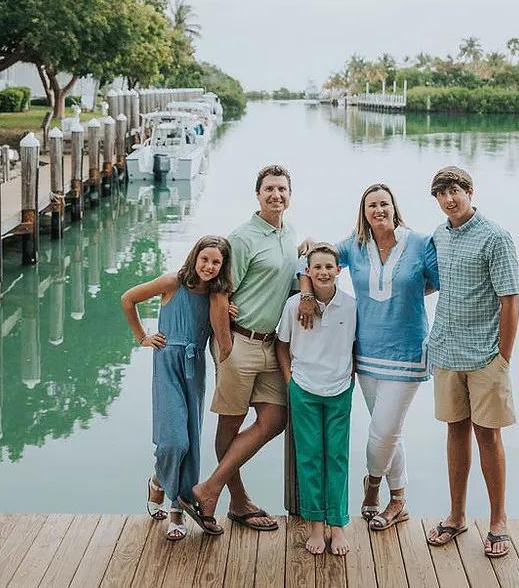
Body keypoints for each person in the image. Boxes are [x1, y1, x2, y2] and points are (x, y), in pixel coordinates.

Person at [298, 183, 438, 531]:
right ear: (364, 212)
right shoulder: (355, 246)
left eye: (384, 204)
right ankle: (400, 500)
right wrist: (305, 296)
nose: (378, 210)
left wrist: (406, 292)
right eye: (371, 205)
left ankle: (373, 487)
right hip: (366, 353)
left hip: (408, 351)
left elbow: (437, 281)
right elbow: (311, 260)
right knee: (390, 433)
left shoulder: (420, 243)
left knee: (383, 431)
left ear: (394, 208)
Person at [179, 164, 302, 535]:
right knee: (230, 423)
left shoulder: (288, 232)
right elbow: (220, 293)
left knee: (275, 420)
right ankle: (236, 499)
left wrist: (308, 252)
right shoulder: (243, 238)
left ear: (290, 194)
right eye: (269, 189)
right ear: (258, 193)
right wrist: (227, 346)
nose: (276, 195)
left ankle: (209, 489)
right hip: (240, 344)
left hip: (271, 346)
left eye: (282, 189)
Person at [423, 166, 519, 559]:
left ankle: (498, 521)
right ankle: (457, 516)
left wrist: (503, 359)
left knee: (488, 436)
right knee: (455, 432)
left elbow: (510, 300)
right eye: (442, 194)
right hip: (445, 351)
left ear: (469, 191)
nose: (449, 199)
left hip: (485, 357)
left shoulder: (495, 237)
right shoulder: (439, 235)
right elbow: (433, 281)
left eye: (455, 191)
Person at [121, 235, 234, 540]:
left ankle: (175, 508)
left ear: (223, 266)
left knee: (191, 441)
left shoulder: (216, 295)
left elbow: (220, 335)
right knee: (173, 442)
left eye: (216, 262)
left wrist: (225, 311)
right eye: (205, 259)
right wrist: (143, 337)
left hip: (195, 368)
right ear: (194, 257)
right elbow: (128, 298)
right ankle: (159, 481)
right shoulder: (172, 282)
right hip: (168, 363)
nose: (209, 266)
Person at [277, 243, 357, 556]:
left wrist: (349, 378)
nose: (323, 272)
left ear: (339, 271)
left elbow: (354, 345)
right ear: (307, 272)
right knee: (309, 458)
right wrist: (290, 382)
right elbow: (282, 346)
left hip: (338, 390)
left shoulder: (350, 306)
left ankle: (337, 526)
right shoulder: (294, 305)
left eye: (329, 267)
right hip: (304, 389)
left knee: (337, 457)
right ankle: (314, 526)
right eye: (317, 267)